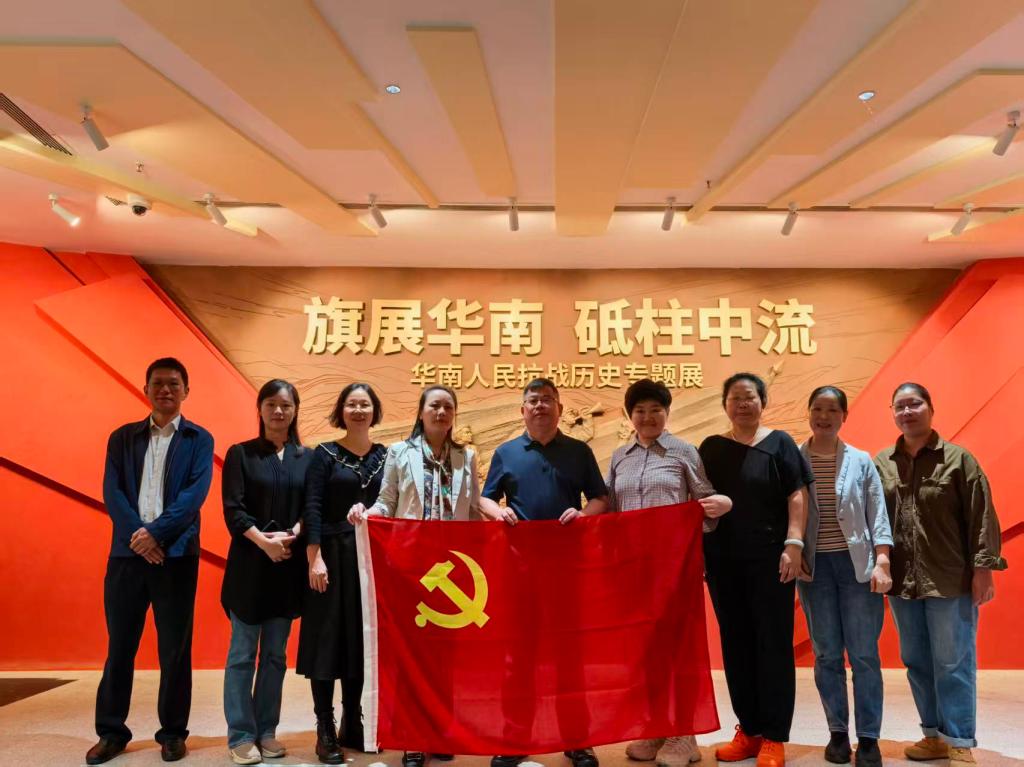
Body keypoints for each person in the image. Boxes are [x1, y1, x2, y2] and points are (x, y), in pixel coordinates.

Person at [86, 358, 214, 765]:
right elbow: (113, 492)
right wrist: (139, 537)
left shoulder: (199, 439)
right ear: (146, 389)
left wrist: (156, 534)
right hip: (127, 556)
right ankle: (111, 732)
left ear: (186, 391)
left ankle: (173, 733)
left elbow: (193, 497)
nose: (165, 390)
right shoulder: (122, 438)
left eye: (174, 384)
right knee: (120, 646)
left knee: (175, 649)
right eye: (158, 383)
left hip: (176, 557)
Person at [349, 384, 482, 767]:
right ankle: (413, 739)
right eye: (434, 406)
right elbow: (386, 501)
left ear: (454, 414)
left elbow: (473, 509)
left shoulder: (466, 456)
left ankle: (440, 732)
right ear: (421, 412)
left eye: (448, 407)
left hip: (453, 568)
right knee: (411, 655)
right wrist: (365, 514)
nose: (441, 412)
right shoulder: (399, 452)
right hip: (411, 567)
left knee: (444, 658)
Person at [479, 378, 609, 767]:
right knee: (518, 658)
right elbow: (485, 498)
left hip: (567, 569)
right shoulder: (506, 453)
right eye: (533, 401)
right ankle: (514, 739)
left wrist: (583, 514)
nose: (540, 406)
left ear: (560, 409)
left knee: (570, 658)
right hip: (519, 569)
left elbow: (601, 498)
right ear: (523, 410)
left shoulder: (579, 451)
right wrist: (499, 512)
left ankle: (577, 740)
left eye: (547, 400)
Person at [875, 382, 1005, 767]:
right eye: (900, 406)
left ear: (931, 408)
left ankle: (959, 740)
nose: (907, 412)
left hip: (950, 579)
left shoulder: (959, 460)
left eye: (914, 404)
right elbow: (872, 517)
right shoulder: (882, 463)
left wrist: (983, 570)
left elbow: (981, 516)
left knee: (953, 662)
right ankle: (932, 735)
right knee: (916, 661)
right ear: (893, 413)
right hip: (902, 582)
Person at [606, 379, 732, 767]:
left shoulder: (684, 452)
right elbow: (611, 512)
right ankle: (656, 726)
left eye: (655, 410)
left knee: (679, 650)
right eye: (640, 410)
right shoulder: (619, 457)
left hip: (675, 569)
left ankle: (684, 734)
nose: (648, 417)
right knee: (645, 652)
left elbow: (704, 503)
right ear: (630, 415)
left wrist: (714, 509)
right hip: (633, 571)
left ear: (667, 412)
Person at [697, 373, 813, 767]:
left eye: (750, 397)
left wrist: (794, 543)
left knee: (773, 644)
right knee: (736, 644)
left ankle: (774, 736)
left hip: (771, 560)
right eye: (735, 398)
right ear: (725, 405)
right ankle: (748, 731)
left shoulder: (780, 443)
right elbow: (699, 499)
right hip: (723, 562)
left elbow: (797, 494)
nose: (743, 404)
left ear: (763, 401)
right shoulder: (712, 448)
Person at [796, 386, 893, 767]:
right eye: (817, 408)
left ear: (844, 416)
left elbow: (877, 512)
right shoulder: (794, 459)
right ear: (808, 413)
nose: (824, 416)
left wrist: (882, 560)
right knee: (826, 654)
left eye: (832, 410)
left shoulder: (861, 460)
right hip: (814, 569)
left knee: (865, 654)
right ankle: (837, 733)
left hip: (857, 568)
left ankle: (868, 738)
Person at [221, 380, 313, 764]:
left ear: (295, 411)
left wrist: (292, 535)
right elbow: (233, 509)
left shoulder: (306, 458)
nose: (278, 411)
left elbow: (311, 508)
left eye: (286, 405)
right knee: (242, 654)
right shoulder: (240, 454)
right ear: (260, 408)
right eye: (271, 404)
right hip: (249, 566)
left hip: (287, 568)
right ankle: (241, 735)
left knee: (275, 655)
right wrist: (264, 542)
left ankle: (267, 731)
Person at [298, 383, 387, 765]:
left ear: (374, 411)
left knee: (360, 642)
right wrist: (314, 559)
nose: (359, 410)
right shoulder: (324, 454)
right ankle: (325, 727)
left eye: (365, 404)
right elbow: (313, 508)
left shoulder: (386, 456)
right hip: (331, 556)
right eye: (352, 404)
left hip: (372, 561)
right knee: (327, 643)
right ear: (341, 411)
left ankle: (354, 721)